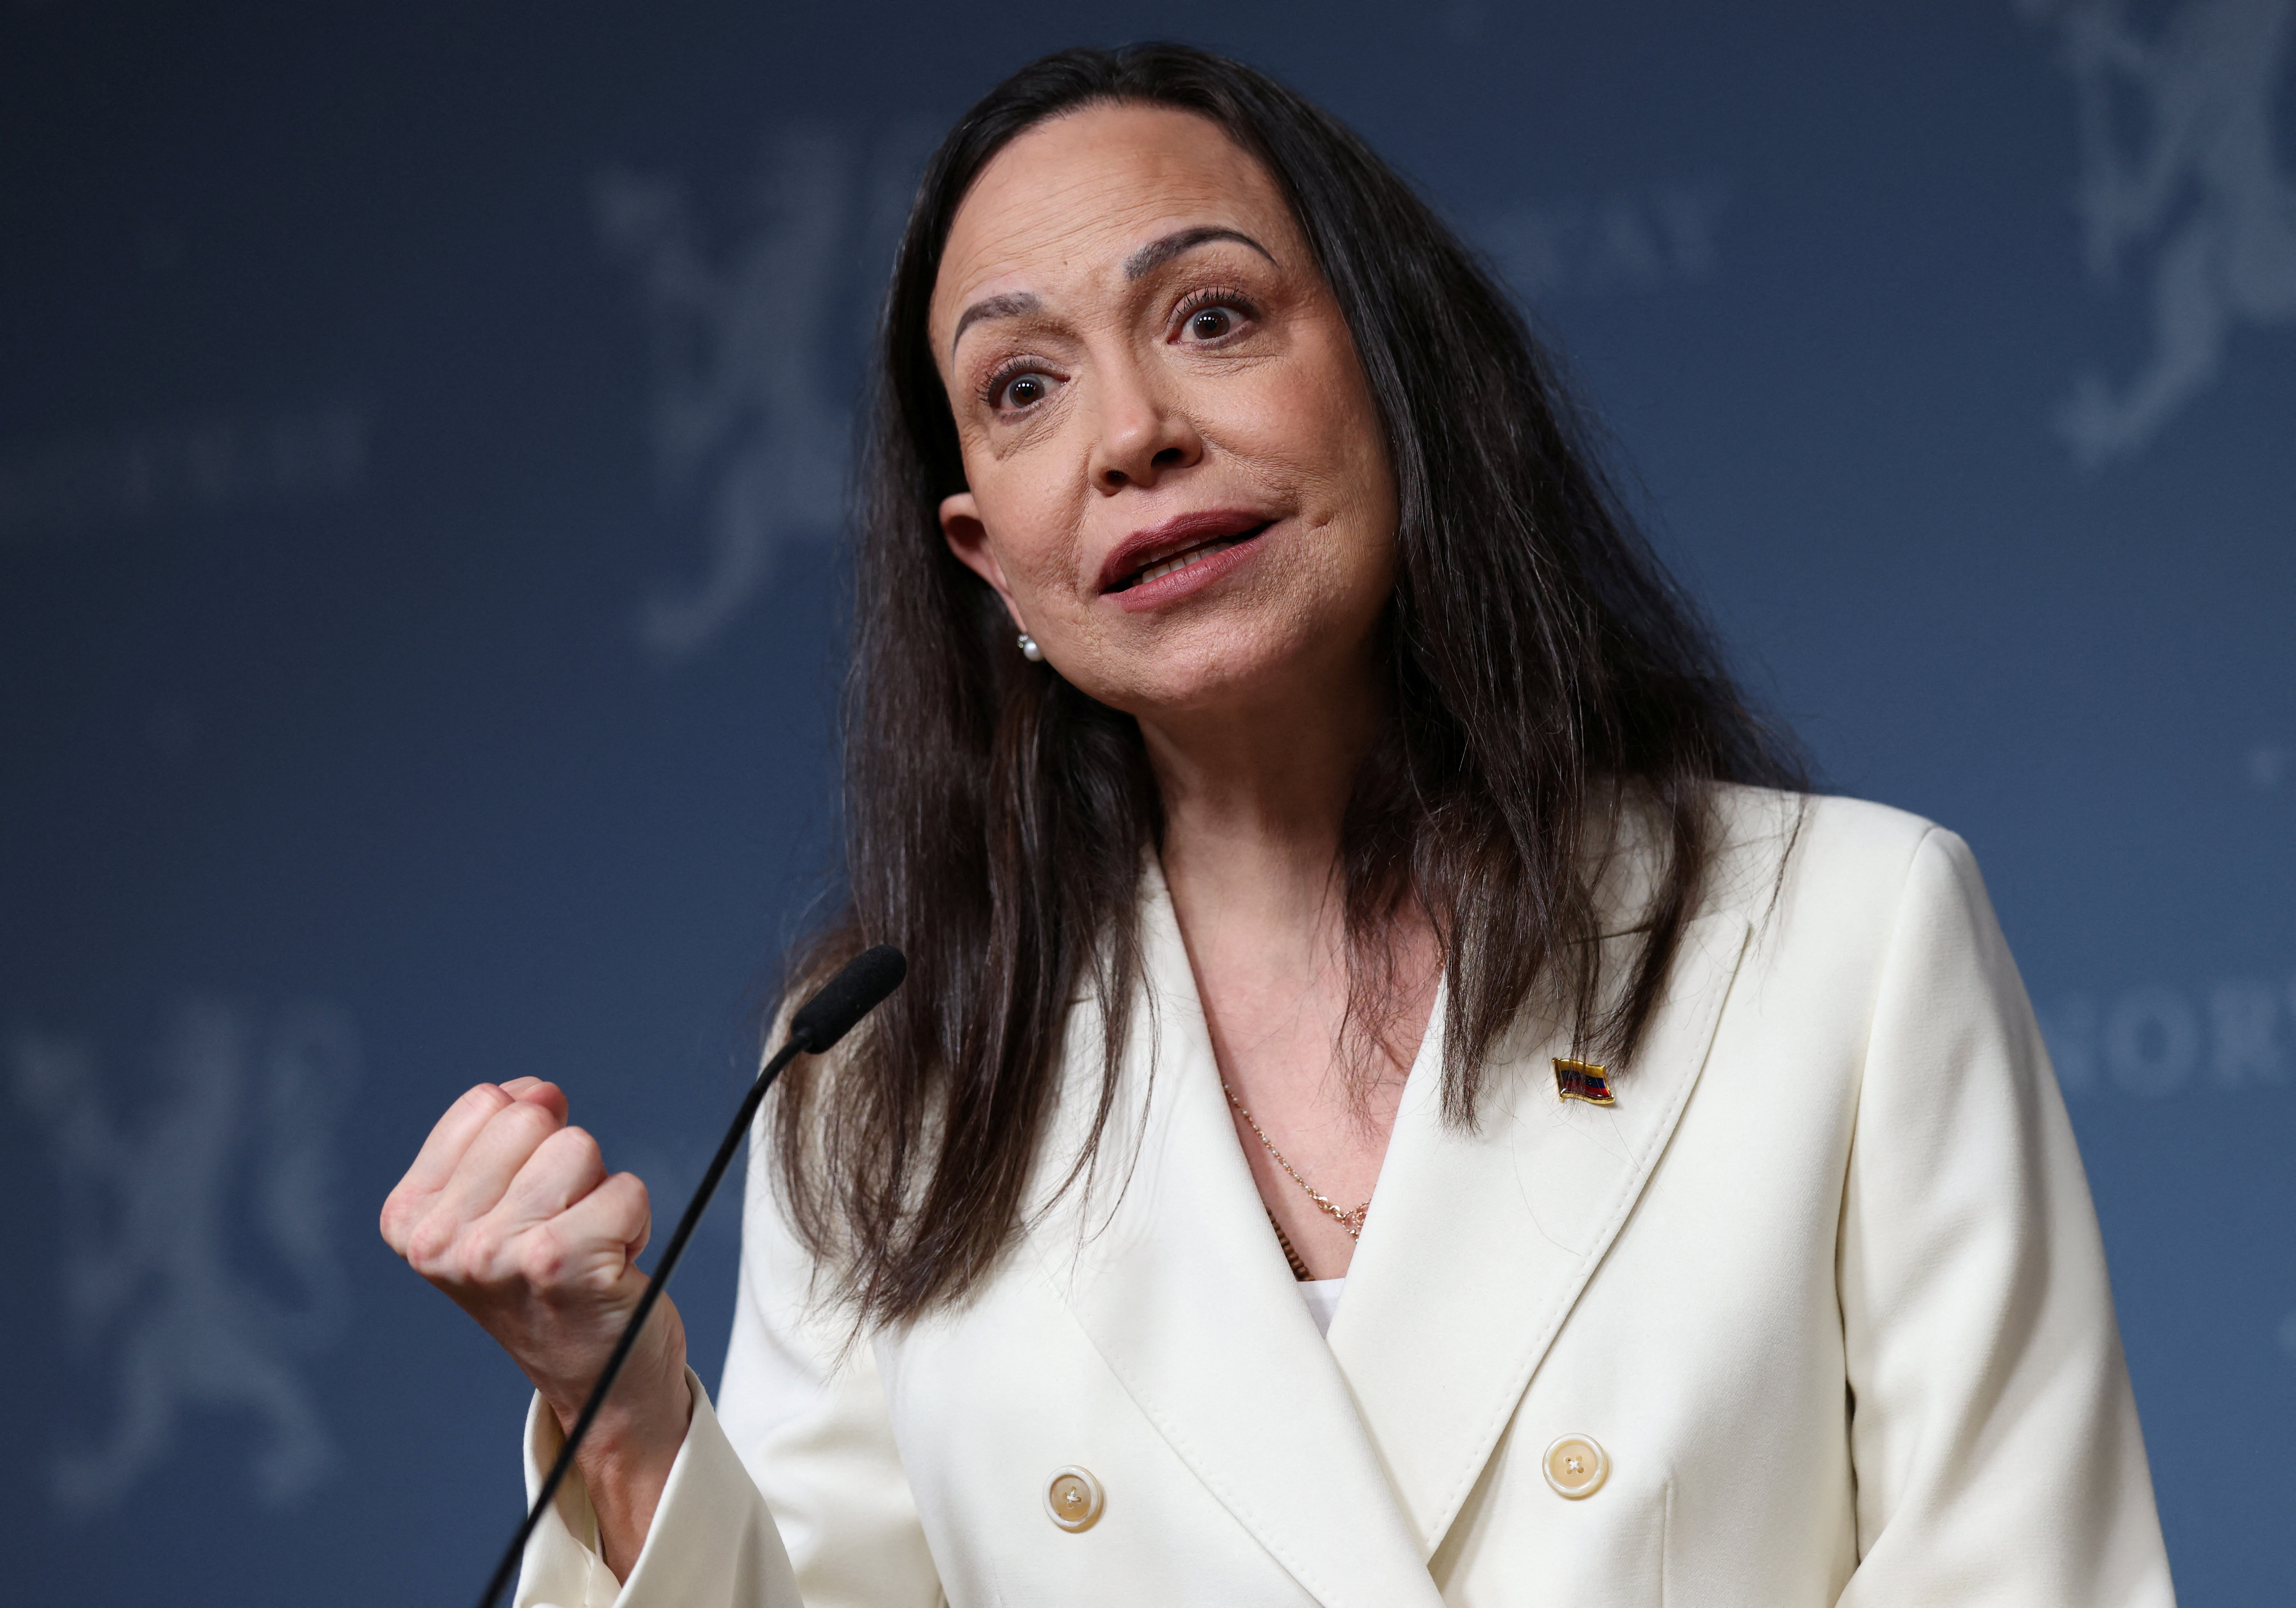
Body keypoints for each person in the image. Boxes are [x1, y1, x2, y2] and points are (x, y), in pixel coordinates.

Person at [381, 43, 2176, 1608]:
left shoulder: (1849, 938)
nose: (1132, 435)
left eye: (1213, 318)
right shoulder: (882, 1084)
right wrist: (622, 1434)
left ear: (1399, 380)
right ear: (985, 554)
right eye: (1023, 387)